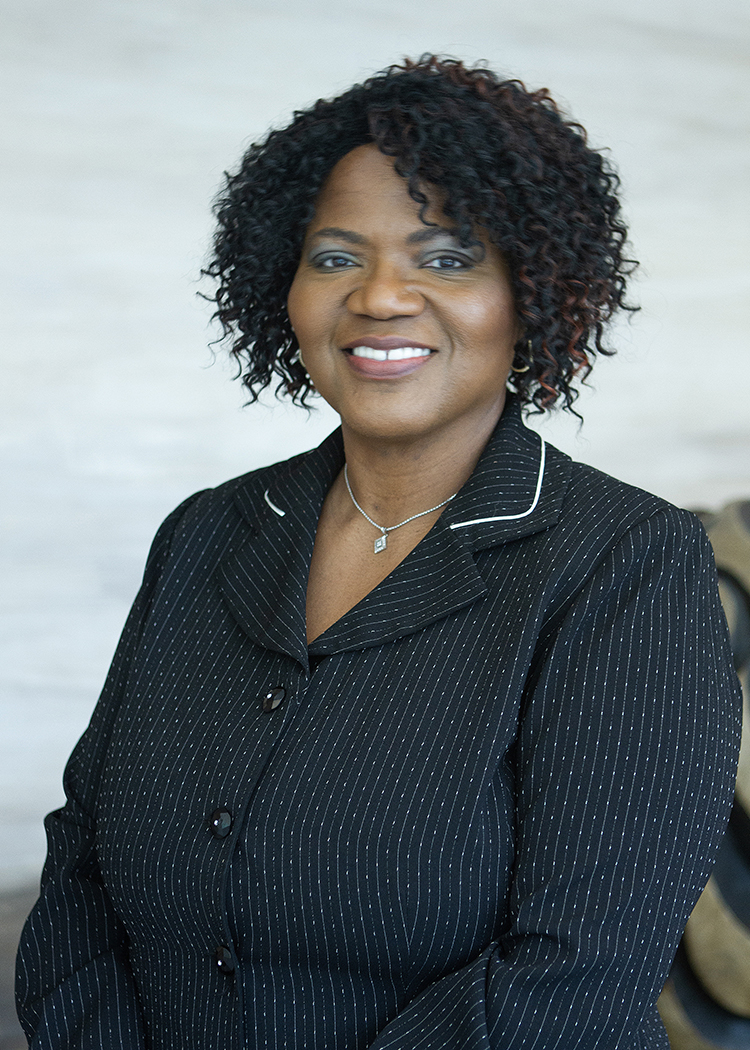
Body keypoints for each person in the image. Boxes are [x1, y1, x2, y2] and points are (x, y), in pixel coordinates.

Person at [17, 55, 740, 1050]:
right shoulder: (207, 531)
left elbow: (575, 977)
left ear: (533, 292)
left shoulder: (625, 563)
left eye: (447, 258)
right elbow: (81, 870)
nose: (382, 296)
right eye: (335, 257)